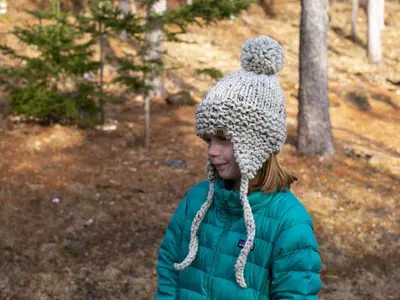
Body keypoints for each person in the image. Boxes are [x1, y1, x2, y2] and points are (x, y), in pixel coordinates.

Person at [156, 35, 322, 299]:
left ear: (256, 143)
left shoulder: (289, 222)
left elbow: (295, 293)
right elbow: (169, 268)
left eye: (223, 139)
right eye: (208, 139)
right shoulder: (196, 201)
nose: (212, 150)